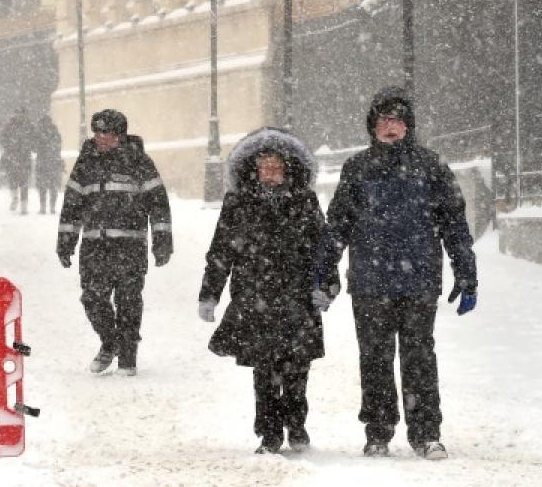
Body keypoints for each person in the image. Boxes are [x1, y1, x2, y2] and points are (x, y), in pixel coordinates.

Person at [312, 86, 478, 460]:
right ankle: (378, 432)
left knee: (420, 356)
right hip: (371, 281)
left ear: (409, 126)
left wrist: (466, 273)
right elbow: (337, 225)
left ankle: (426, 434)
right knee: (375, 358)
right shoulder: (357, 169)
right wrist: (325, 272)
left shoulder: (431, 166)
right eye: (384, 120)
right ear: (373, 126)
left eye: (398, 120)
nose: (391, 126)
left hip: (419, 280)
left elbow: (454, 223)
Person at [198, 128, 325, 455]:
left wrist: (326, 286)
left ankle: (296, 424)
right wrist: (209, 293)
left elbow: (322, 250)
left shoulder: (305, 202)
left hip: (297, 298)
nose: (270, 173)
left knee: (297, 368)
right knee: (265, 370)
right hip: (257, 300)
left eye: (276, 166)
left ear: (288, 168)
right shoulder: (238, 203)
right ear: (253, 169)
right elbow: (221, 251)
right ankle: (269, 433)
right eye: (264, 166)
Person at [56, 109, 172, 376]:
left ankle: (127, 358)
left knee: (128, 301)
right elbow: (72, 207)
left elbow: (159, 205)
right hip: (94, 247)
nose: (100, 138)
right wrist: (65, 242)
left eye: (106, 133)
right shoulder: (85, 164)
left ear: (119, 135)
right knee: (92, 299)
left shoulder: (139, 162)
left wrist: (162, 241)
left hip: (130, 247)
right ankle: (111, 341)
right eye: (97, 132)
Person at [0, 108, 33, 214]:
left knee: (16, 181)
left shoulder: (10, 126)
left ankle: (17, 200)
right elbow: (34, 140)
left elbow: (3, 139)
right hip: (21, 158)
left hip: (15, 158)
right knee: (22, 183)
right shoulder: (28, 126)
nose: (21, 116)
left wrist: (9, 147)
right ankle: (22, 206)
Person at [33, 115, 63, 214]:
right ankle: (52, 207)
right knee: (53, 185)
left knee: (42, 186)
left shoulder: (39, 133)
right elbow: (58, 147)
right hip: (54, 162)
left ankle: (43, 207)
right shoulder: (55, 132)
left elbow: (35, 148)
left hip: (42, 162)